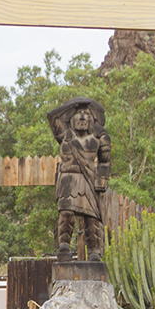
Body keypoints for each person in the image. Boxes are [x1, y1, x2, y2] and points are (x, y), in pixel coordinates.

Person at [49, 97, 112, 261]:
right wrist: (72, 104)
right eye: (78, 113)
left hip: (89, 179)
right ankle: (63, 246)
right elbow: (52, 117)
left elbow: (105, 161)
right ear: (71, 117)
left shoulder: (99, 138)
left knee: (92, 218)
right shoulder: (65, 135)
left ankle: (94, 251)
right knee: (66, 213)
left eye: (87, 113)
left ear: (93, 119)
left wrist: (102, 178)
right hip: (68, 179)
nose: (83, 116)